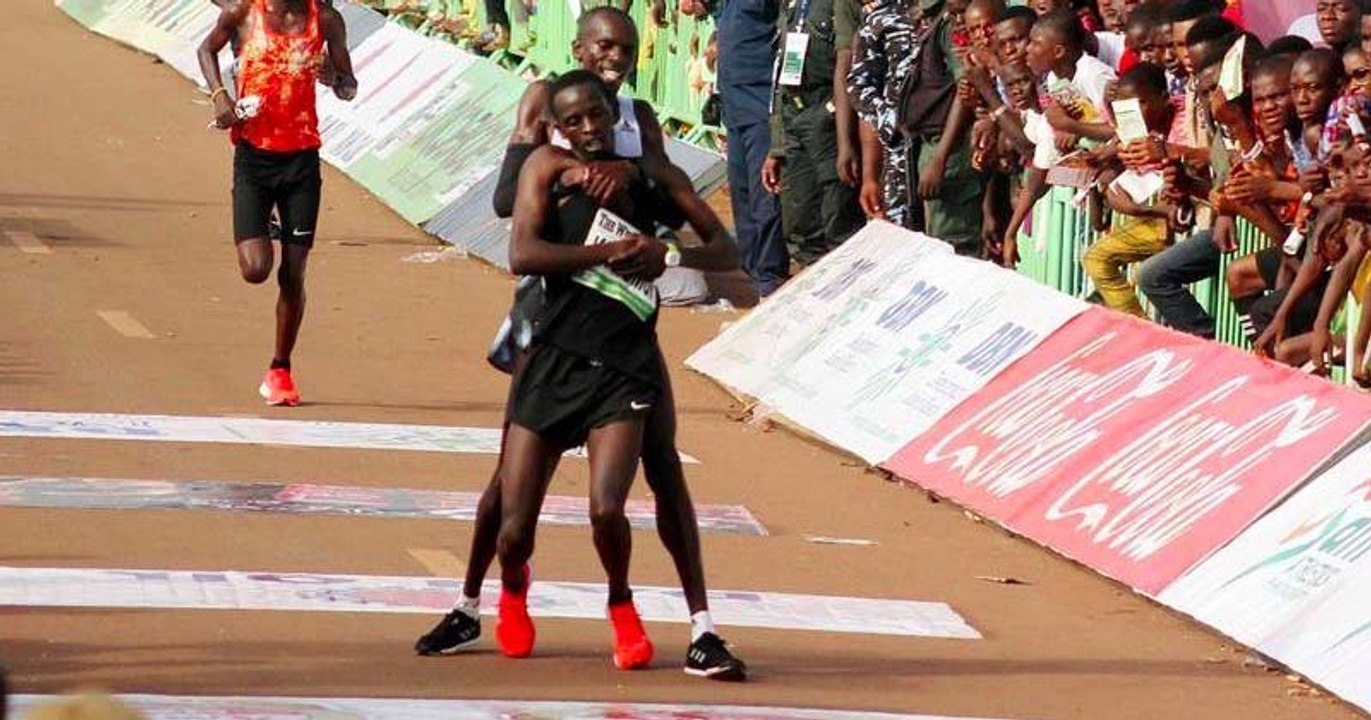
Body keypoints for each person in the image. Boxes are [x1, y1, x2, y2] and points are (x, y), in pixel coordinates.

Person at [415, 7, 748, 681]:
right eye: (601, 46)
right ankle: (473, 600)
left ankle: (698, 627)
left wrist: (635, 191)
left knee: (657, 474)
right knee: (507, 497)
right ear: (576, 50)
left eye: (623, 49)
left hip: (625, 333)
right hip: (549, 320)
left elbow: (668, 190)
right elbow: (510, 202)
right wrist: (569, 173)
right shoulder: (544, 101)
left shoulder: (640, 117)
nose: (613, 57)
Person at [492, 70, 741, 671]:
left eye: (596, 117)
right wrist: (609, 254)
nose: (587, 130)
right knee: (514, 529)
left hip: (623, 364)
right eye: (573, 121)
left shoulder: (651, 175)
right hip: (553, 358)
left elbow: (727, 251)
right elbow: (522, 253)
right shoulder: (547, 169)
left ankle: (622, 606)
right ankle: (511, 590)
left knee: (607, 506)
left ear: (614, 113)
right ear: (557, 126)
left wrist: (670, 254)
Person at [198, 0, 357, 406]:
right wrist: (220, 97)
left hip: (302, 161)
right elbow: (206, 49)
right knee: (256, 270)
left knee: (293, 272)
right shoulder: (243, 13)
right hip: (254, 157)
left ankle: (280, 370)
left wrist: (332, 76)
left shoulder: (327, 20)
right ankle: (265, 222)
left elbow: (349, 88)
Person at [685, 0, 787, 297]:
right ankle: (753, 266)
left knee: (763, 193)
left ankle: (768, 274)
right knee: (742, 192)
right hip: (734, 107)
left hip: (759, 106)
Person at [763, 0, 864, 266]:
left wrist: (844, 139)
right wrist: (776, 147)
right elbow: (780, 74)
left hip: (827, 117)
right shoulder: (790, 5)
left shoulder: (840, 5)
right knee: (799, 222)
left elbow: (848, 64)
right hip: (794, 114)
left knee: (837, 219)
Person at [1081, 62, 1176, 316]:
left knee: (1101, 260)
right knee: (1095, 258)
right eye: (1127, 108)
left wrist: (1146, 208)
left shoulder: (1179, 125)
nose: (1135, 112)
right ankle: (1139, 322)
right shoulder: (1134, 128)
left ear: (1164, 99)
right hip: (1149, 216)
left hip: (1172, 222)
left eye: (1142, 103)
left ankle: (1142, 327)